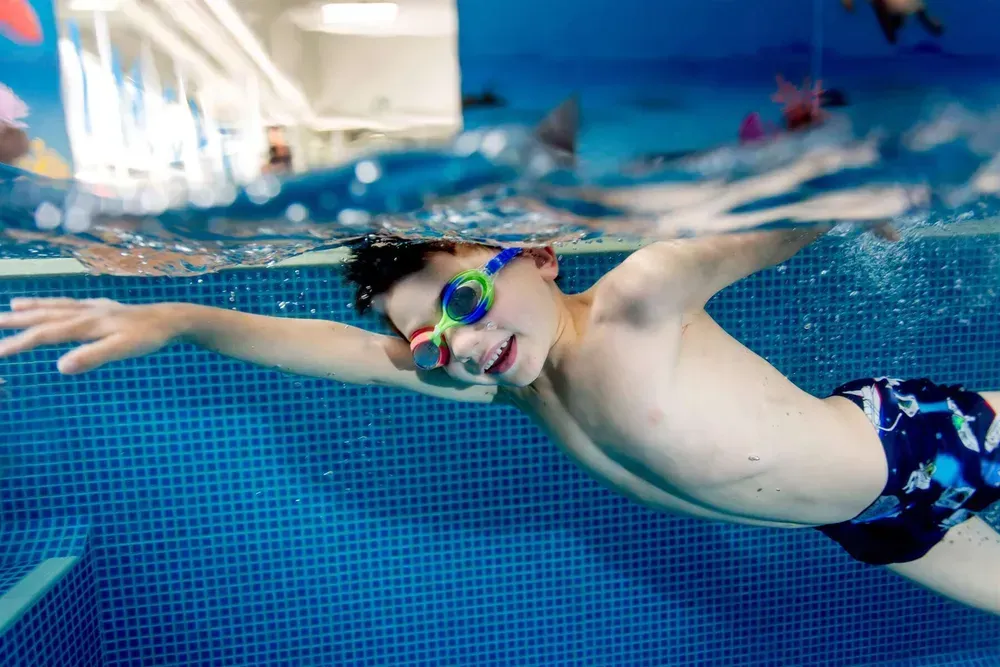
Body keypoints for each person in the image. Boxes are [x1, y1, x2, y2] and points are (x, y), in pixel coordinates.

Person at [2, 135, 999, 617]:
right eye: (433, 340)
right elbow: (343, 352)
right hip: (869, 527)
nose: (461, 346)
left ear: (533, 255)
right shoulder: (500, 382)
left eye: (464, 306)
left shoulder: (636, 302)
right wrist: (176, 315)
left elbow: (760, 228)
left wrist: (856, 187)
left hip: (914, 444)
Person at [841, 0, 945, 45]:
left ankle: (891, 32)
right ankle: (891, 32)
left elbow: (928, 21)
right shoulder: (914, 6)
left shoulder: (913, 6)